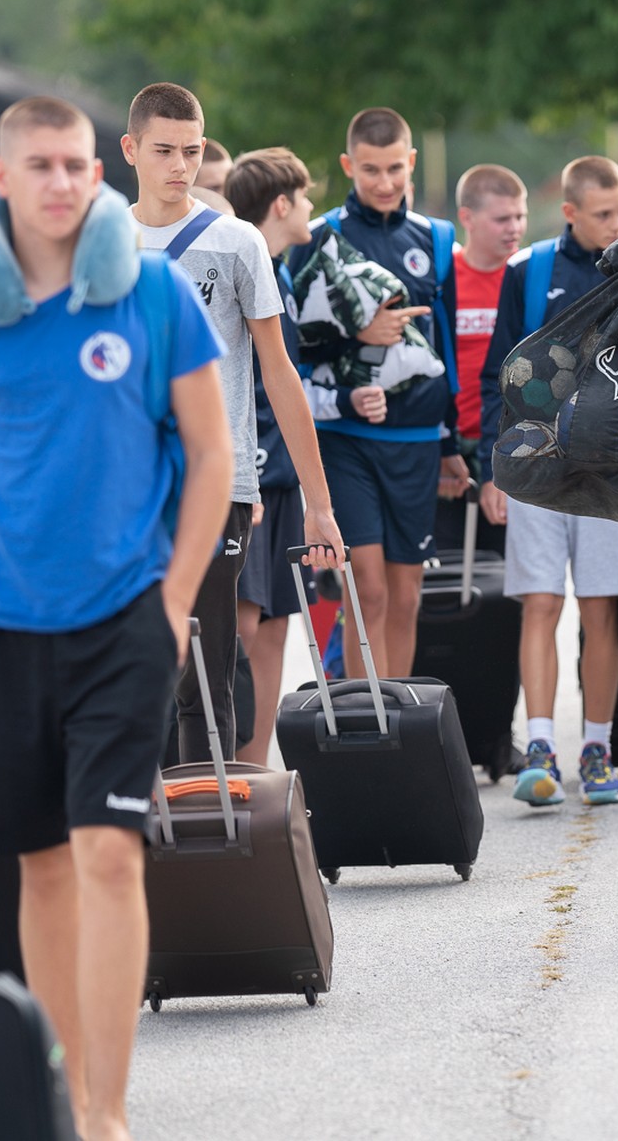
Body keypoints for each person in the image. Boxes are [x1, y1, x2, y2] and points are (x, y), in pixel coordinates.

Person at [0, 96, 234, 1141]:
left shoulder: (156, 293)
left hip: (124, 614)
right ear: (1, 178)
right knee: (40, 861)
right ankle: (63, 1085)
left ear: (99, 172)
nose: (60, 183)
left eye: (76, 165)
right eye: (38, 165)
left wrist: (173, 600)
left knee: (110, 854)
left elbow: (212, 455)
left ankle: (104, 1111)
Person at [123, 83, 342, 764]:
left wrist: (319, 503)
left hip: (219, 482)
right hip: (124, 486)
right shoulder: (98, 242)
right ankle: (138, 841)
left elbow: (279, 373)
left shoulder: (235, 240)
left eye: (191, 151)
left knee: (207, 672)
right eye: (163, 151)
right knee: (132, 669)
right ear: (131, 150)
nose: (179, 166)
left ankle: (206, 836)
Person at [285, 107, 470, 678]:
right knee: (368, 591)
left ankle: (402, 727)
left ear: (411, 162)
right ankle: (369, 725)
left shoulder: (437, 239)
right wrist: (356, 330)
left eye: (395, 168)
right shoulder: (318, 236)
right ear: (348, 166)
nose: (385, 182)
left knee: (407, 595)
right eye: (371, 170)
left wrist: (450, 443)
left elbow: (447, 352)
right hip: (345, 440)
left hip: (416, 442)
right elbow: (294, 348)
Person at [478, 156, 618, 806]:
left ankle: (596, 749)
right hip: (538, 463)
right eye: (604, 214)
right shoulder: (529, 271)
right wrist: (496, 463)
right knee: (540, 603)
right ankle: (539, 747)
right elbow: (499, 374)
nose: (617, 223)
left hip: (609, 470)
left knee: (601, 608)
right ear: (569, 212)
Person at [223, 145, 328, 764]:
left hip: (284, 478)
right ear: (281, 204)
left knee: (275, 626)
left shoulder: (280, 270)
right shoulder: (242, 261)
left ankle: (258, 771)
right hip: (251, 476)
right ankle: (224, 766)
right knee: (240, 622)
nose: (312, 206)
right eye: (306, 195)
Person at [450, 164, 530, 462]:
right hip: (451, 443)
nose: (515, 227)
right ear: (467, 218)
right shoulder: (445, 278)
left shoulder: (530, 276)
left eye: (520, 216)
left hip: (512, 441)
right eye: (502, 219)